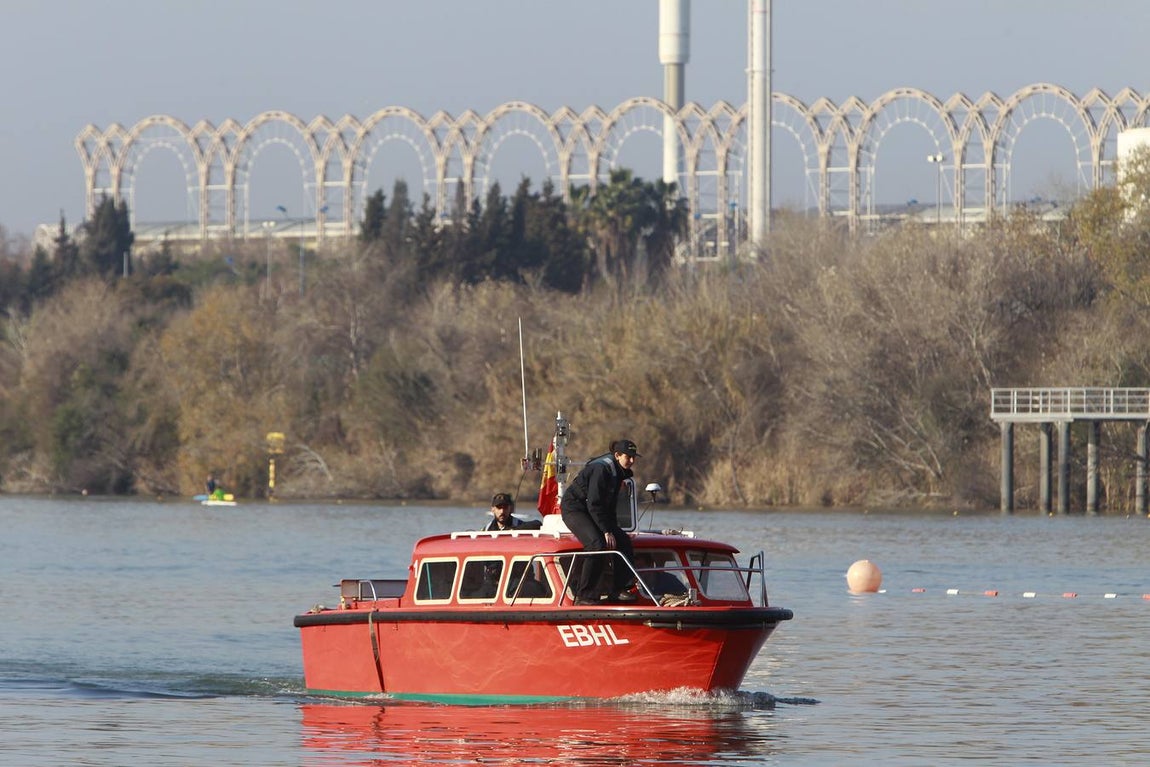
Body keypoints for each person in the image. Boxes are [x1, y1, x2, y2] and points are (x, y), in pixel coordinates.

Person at [560, 438, 640, 605]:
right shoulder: (601, 469)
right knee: (596, 544)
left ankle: (618, 589)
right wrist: (606, 531)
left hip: (593, 510)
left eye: (634, 457)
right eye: (628, 457)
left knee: (623, 541)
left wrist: (613, 529)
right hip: (575, 509)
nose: (632, 461)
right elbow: (594, 503)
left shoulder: (619, 472)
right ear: (617, 455)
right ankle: (584, 595)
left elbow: (608, 506)